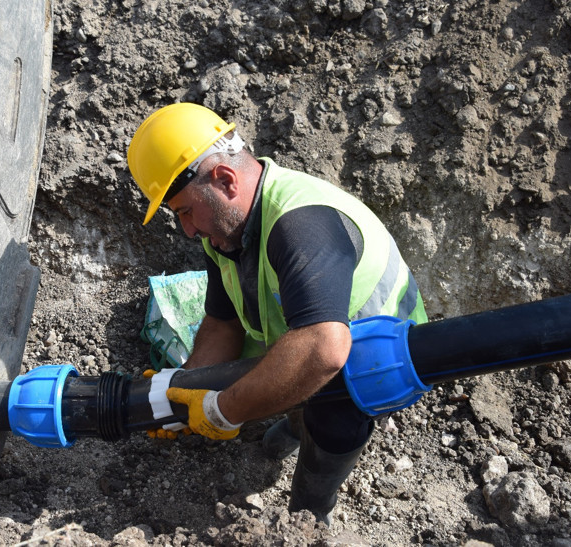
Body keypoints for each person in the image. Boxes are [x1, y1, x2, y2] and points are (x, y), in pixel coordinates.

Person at [126, 102, 428, 524]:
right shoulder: (227, 232)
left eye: (185, 212)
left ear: (225, 179)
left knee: (331, 417)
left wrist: (222, 410)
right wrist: (180, 390)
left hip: (381, 355)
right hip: (306, 337)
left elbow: (323, 350)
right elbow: (222, 321)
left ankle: (310, 513)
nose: (188, 230)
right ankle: (292, 420)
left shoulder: (300, 225)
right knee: (285, 381)